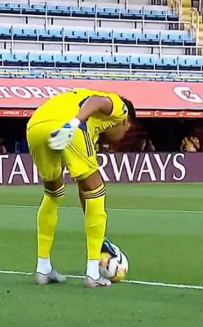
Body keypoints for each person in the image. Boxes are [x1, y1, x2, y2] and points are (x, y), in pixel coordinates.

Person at [26, 89, 136, 288]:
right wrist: (74, 122)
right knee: (97, 189)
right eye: (125, 131)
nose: (121, 136)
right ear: (125, 121)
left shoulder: (91, 126)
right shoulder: (120, 107)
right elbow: (97, 101)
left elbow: (84, 191)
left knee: (54, 192)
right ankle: (93, 274)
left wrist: (98, 237)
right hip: (68, 125)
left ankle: (43, 269)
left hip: (35, 126)